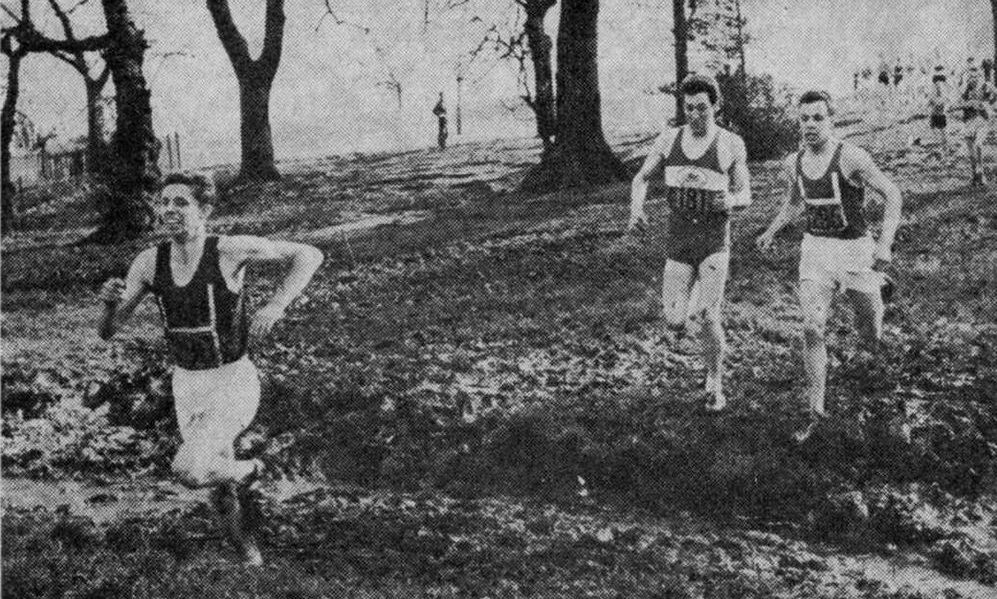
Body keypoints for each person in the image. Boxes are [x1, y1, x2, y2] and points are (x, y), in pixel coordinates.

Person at [97, 173, 324, 565]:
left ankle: (255, 468)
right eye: (164, 202)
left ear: (204, 210)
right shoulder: (149, 262)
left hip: (231, 379)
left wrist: (276, 304)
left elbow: (308, 254)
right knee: (218, 491)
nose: (169, 210)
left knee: (190, 469)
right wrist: (107, 304)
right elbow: (108, 331)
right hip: (187, 383)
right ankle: (251, 561)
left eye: (181, 202)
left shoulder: (229, 250)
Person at [755, 91, 903, 443]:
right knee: (811, 327)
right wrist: (772, 230)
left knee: (870, 335)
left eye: (818, 118)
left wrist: (884, 243)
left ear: (831, 120)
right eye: (804, 118)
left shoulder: (851, 157)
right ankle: (816, 411)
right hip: (816, 251)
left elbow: (893, 194)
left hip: (855, 251)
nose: (810, 125)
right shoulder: (793, 162)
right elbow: (794, 202)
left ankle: (878, 284)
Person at [628, 74, 752, 411]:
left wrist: (731, 201)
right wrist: (636, 210)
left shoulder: (730, 143)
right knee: (675, 321)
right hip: (679, 241)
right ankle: (695, 297)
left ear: (716, 106)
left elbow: (746, 194)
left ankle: (715, 380)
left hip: (713, 240)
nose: (695, 115)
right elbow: (641, 178)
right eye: (689, 108)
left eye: (702, 108)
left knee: (708, 316)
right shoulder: (669, 139)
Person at [958, 65, 993, 186]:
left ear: (979, 77)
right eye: (971, 77)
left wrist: (987, 105)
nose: (973, 79)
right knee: (971, 151)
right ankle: (974, 175)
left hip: (981, 121)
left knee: (978, 144)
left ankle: (981, 173)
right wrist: (968, 104)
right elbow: (958, 103)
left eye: (976, 77)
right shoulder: (965, 90)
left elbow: (994, 96)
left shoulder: (985, 87)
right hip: (968, 122)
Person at [927, 72, 949, 149]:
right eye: (936, 84)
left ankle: (943, 145)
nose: (938, 85)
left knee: (942, 131)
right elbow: (929, 102)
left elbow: (946, 101)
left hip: (940, 114)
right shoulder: (933, 90)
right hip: (935, 113)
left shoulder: (943, 90)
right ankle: (940, 145)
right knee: (936, 131)